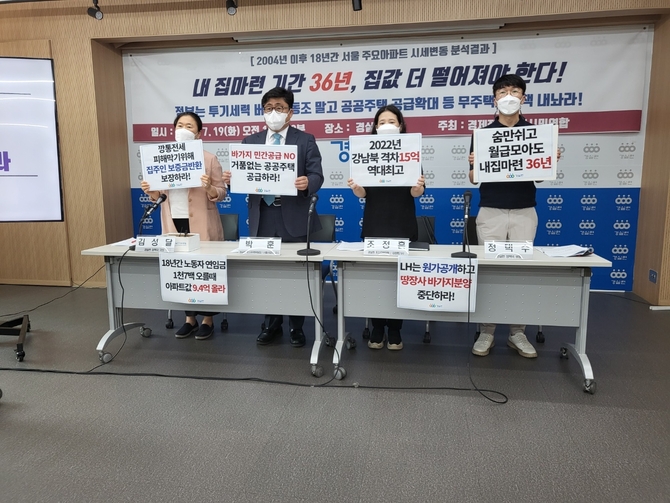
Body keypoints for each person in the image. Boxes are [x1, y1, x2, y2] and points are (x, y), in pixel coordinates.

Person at [468, 73, 559, 359]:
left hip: (524, 210)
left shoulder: (535, 134)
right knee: (490, 271)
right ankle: (487, 330)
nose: (509, 96)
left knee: (521, 271)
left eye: (515, 91)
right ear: (494, 99)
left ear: (524, 97)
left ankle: (517, 332)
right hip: (491, 210)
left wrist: (548, 162)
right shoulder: (483, 135)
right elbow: (473, 178)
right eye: (503, 92)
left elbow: (540, 177)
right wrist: (475, 165)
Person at [232, 87, 324, 348]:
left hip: (293, 214)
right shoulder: (250, 142)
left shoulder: (305, 140)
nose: (274, 113)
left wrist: (307, 183)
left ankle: (296, 327)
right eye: (269, 108)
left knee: (296, 273)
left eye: (279, 108)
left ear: (290, 113)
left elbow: (317, 175)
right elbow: (243, 178)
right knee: (268, 273)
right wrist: (232, 179)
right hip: (262, 215)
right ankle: (271, 325)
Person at [141, 112, 229, 340]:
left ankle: (208, 319)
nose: (183, 129)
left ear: (198, 133)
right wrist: (150, 190)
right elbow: (158, 195)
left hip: (202, 222)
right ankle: (189, 319)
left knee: (204, 270)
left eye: (189, 126)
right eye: (179, 125)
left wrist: (209, 188)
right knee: (181, 270)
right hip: (174, 220)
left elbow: (221, 193)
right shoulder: (162, 158)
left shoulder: (209, 159)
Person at [347, 104, 426, 350]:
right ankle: (377, 326)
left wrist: (417, 189)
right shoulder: (365, 152)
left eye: (392, 121)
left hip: (402, 222)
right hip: (375, 221)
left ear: (401, 125)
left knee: (398, 279)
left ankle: (394, 329)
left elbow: (417, 191)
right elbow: (363, 193)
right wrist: (356, 188)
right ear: (375, 127)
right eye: (381, 122)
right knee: (376, 279)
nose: (386, 125)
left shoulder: (411, 151)